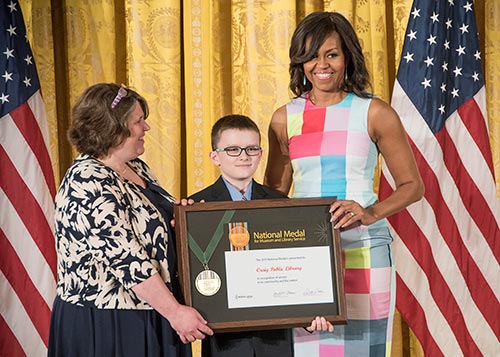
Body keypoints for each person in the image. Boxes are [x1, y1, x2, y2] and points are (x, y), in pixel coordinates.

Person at [264, 12, 425, 357]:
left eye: (331, 54)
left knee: (364, 350)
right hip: (305, 257)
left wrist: (369, 212)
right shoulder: (283, 118)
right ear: (299, 61)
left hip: (365, 250)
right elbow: (273, 196)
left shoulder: (375, 113)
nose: (321, 65)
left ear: (348, 56)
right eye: (310, 56)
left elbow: (412, 185)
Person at [48, 83, 213, 357]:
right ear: (112, 128)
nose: (146, 128)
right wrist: (175, 313)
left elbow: (150, 227)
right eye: (138, 121)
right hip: (108, 324)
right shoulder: (87, 181)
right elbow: (127, 260)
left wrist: (183, 218)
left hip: (151, 310)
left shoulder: (135, 167)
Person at [189, 114, 295, 357]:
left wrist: (312, 310)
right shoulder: (195, 208)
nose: (244, 156)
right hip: (225, 338)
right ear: (215, 156)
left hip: (275, 335)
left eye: (251, 148)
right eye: (233, 149)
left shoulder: (282, 204)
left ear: (260, 153)